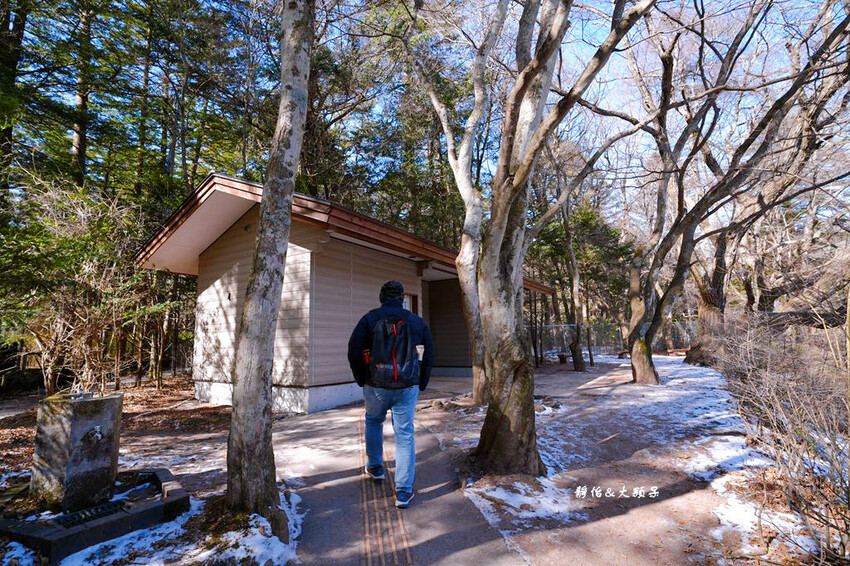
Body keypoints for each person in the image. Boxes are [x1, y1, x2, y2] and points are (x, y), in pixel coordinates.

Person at [347, 280, 434, 508]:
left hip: (375, 384)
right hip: (407, 386)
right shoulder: (415, 321)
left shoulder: (370, 319)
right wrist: (421, 382)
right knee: (404, 435)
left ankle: (376, 467)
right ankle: (403, 491)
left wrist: (361, 378)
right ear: (402, 297)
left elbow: (353, 350)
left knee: (373, 421)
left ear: (381, 297)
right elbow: (430, 352)